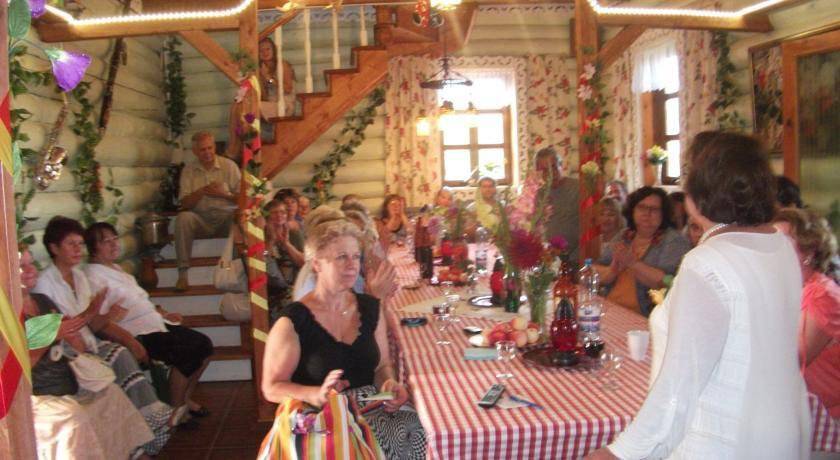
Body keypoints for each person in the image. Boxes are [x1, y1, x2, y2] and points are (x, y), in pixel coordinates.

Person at [589, 132, 810, 459]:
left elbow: (680, 385)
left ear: (696, 193)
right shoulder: (780, 245)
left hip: (723, 438)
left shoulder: (707, 262)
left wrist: (621, 452)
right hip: (780, 429)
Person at [262, 216, 425, 459]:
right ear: (317, 264)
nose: (352, 265)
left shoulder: (370, 308)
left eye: (356, 256)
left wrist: (389, 384)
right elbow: (271, 387)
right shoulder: (293, 322)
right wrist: (315, 394)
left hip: (368, 407)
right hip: (316, 416)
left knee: (417, 431)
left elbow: (382, 365)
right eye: (341, 257)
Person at [32, 216, 175, 454]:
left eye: (80, 244)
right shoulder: (46, 284)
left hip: (89, 344)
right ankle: (155, 421)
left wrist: (106, 316)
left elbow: (93, 324)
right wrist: (92, 312)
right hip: (68, 353)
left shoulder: (79, 277)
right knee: (119, 358)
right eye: (71, 244)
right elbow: (63, 329)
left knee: (121, 353)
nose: (78, 250)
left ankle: (152, 423)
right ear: (54, 248)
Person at [22, 248, 156, 460]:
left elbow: (75, 347)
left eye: (31, 264)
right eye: (21, 267)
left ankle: (135, 453)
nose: (30, 270)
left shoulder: (42, 301)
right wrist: (48, 337)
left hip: (67, 380)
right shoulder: (7, 315)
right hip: (39, 392)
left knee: (111, 393)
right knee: (73, 416)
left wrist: (83, 321)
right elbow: (17, 370)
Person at [83, 222, 214, 420]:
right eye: (106, 241)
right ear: (93, 248)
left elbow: (138, 300)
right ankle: (175, 410)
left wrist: (163, 313)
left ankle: (184, 399)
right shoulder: (93, 276)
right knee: (190, 349)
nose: (113, 244)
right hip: (136, 332)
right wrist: (128, 338)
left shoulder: (117, 269)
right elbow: (99, 322)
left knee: (205, 346)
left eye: (115, 239)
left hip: (154, 324)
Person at [775, 208, 840, 418]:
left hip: (828, 418)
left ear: (808, 253)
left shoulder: (822, 295)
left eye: (782, 242)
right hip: (804, 411)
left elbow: (791, 359)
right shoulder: (788, 289)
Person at [594, 187, 690, 316]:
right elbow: (595, 269)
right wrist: (612, 271)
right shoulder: (625, 235)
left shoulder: (674, 241)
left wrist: (633, 263)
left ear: (663, 214)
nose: (647, 213)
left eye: (654, 209)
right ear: (633, 210)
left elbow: (667, 283)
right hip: (611, 306)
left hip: (645, 315)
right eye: (641, 207)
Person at [175, 131, 241, 291]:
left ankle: (238, 272)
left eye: (210, 148)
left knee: (240, 216)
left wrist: (224, 195)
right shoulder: (189, 170)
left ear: (215, 147)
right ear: (195, 151)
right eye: (202, 149)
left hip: (226, 219)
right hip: (201, 220)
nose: (207, 152)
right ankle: (182, 274)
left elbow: (244, 199)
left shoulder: (229, 166)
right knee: (183, 218)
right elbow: (184, 204)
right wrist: (201, 192)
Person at [292, 206, 396, 303]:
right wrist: (376, 298)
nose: (339, 234)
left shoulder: (340, 270)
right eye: (328, 232)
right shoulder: (310, 287)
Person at [262, 200, 305, 324]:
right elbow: (263, 262)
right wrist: (270, 242)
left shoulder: (294, 234)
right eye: (274, 212)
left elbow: (304, 263)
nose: (279, 215)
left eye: (282, 212)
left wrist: (286, 244)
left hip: (294, 285)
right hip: (272, 288)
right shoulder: (261, 235)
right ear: (267, 216)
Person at [536, 147, 580, 261]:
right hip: (549, 258)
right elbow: (537, 226)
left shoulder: (578, 188)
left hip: (575, 257)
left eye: (553, 167)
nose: (550, 174)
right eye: (545, 170)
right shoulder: (540, 194)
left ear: (561, 165)